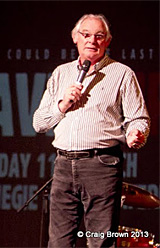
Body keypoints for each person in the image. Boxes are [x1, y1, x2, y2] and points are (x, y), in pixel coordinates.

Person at [33, 14, 150, 247]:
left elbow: (139, 119)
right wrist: (63, 104)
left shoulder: (122, 73)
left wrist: (136, 134)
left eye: (99, 36)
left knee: (100, 241)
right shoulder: (61, 73)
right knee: (58, 242)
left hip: (101, 165)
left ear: (107, 42)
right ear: (75, 38)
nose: (91, 41)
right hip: (64, 165)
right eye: (85, 35)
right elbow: (39, 123)